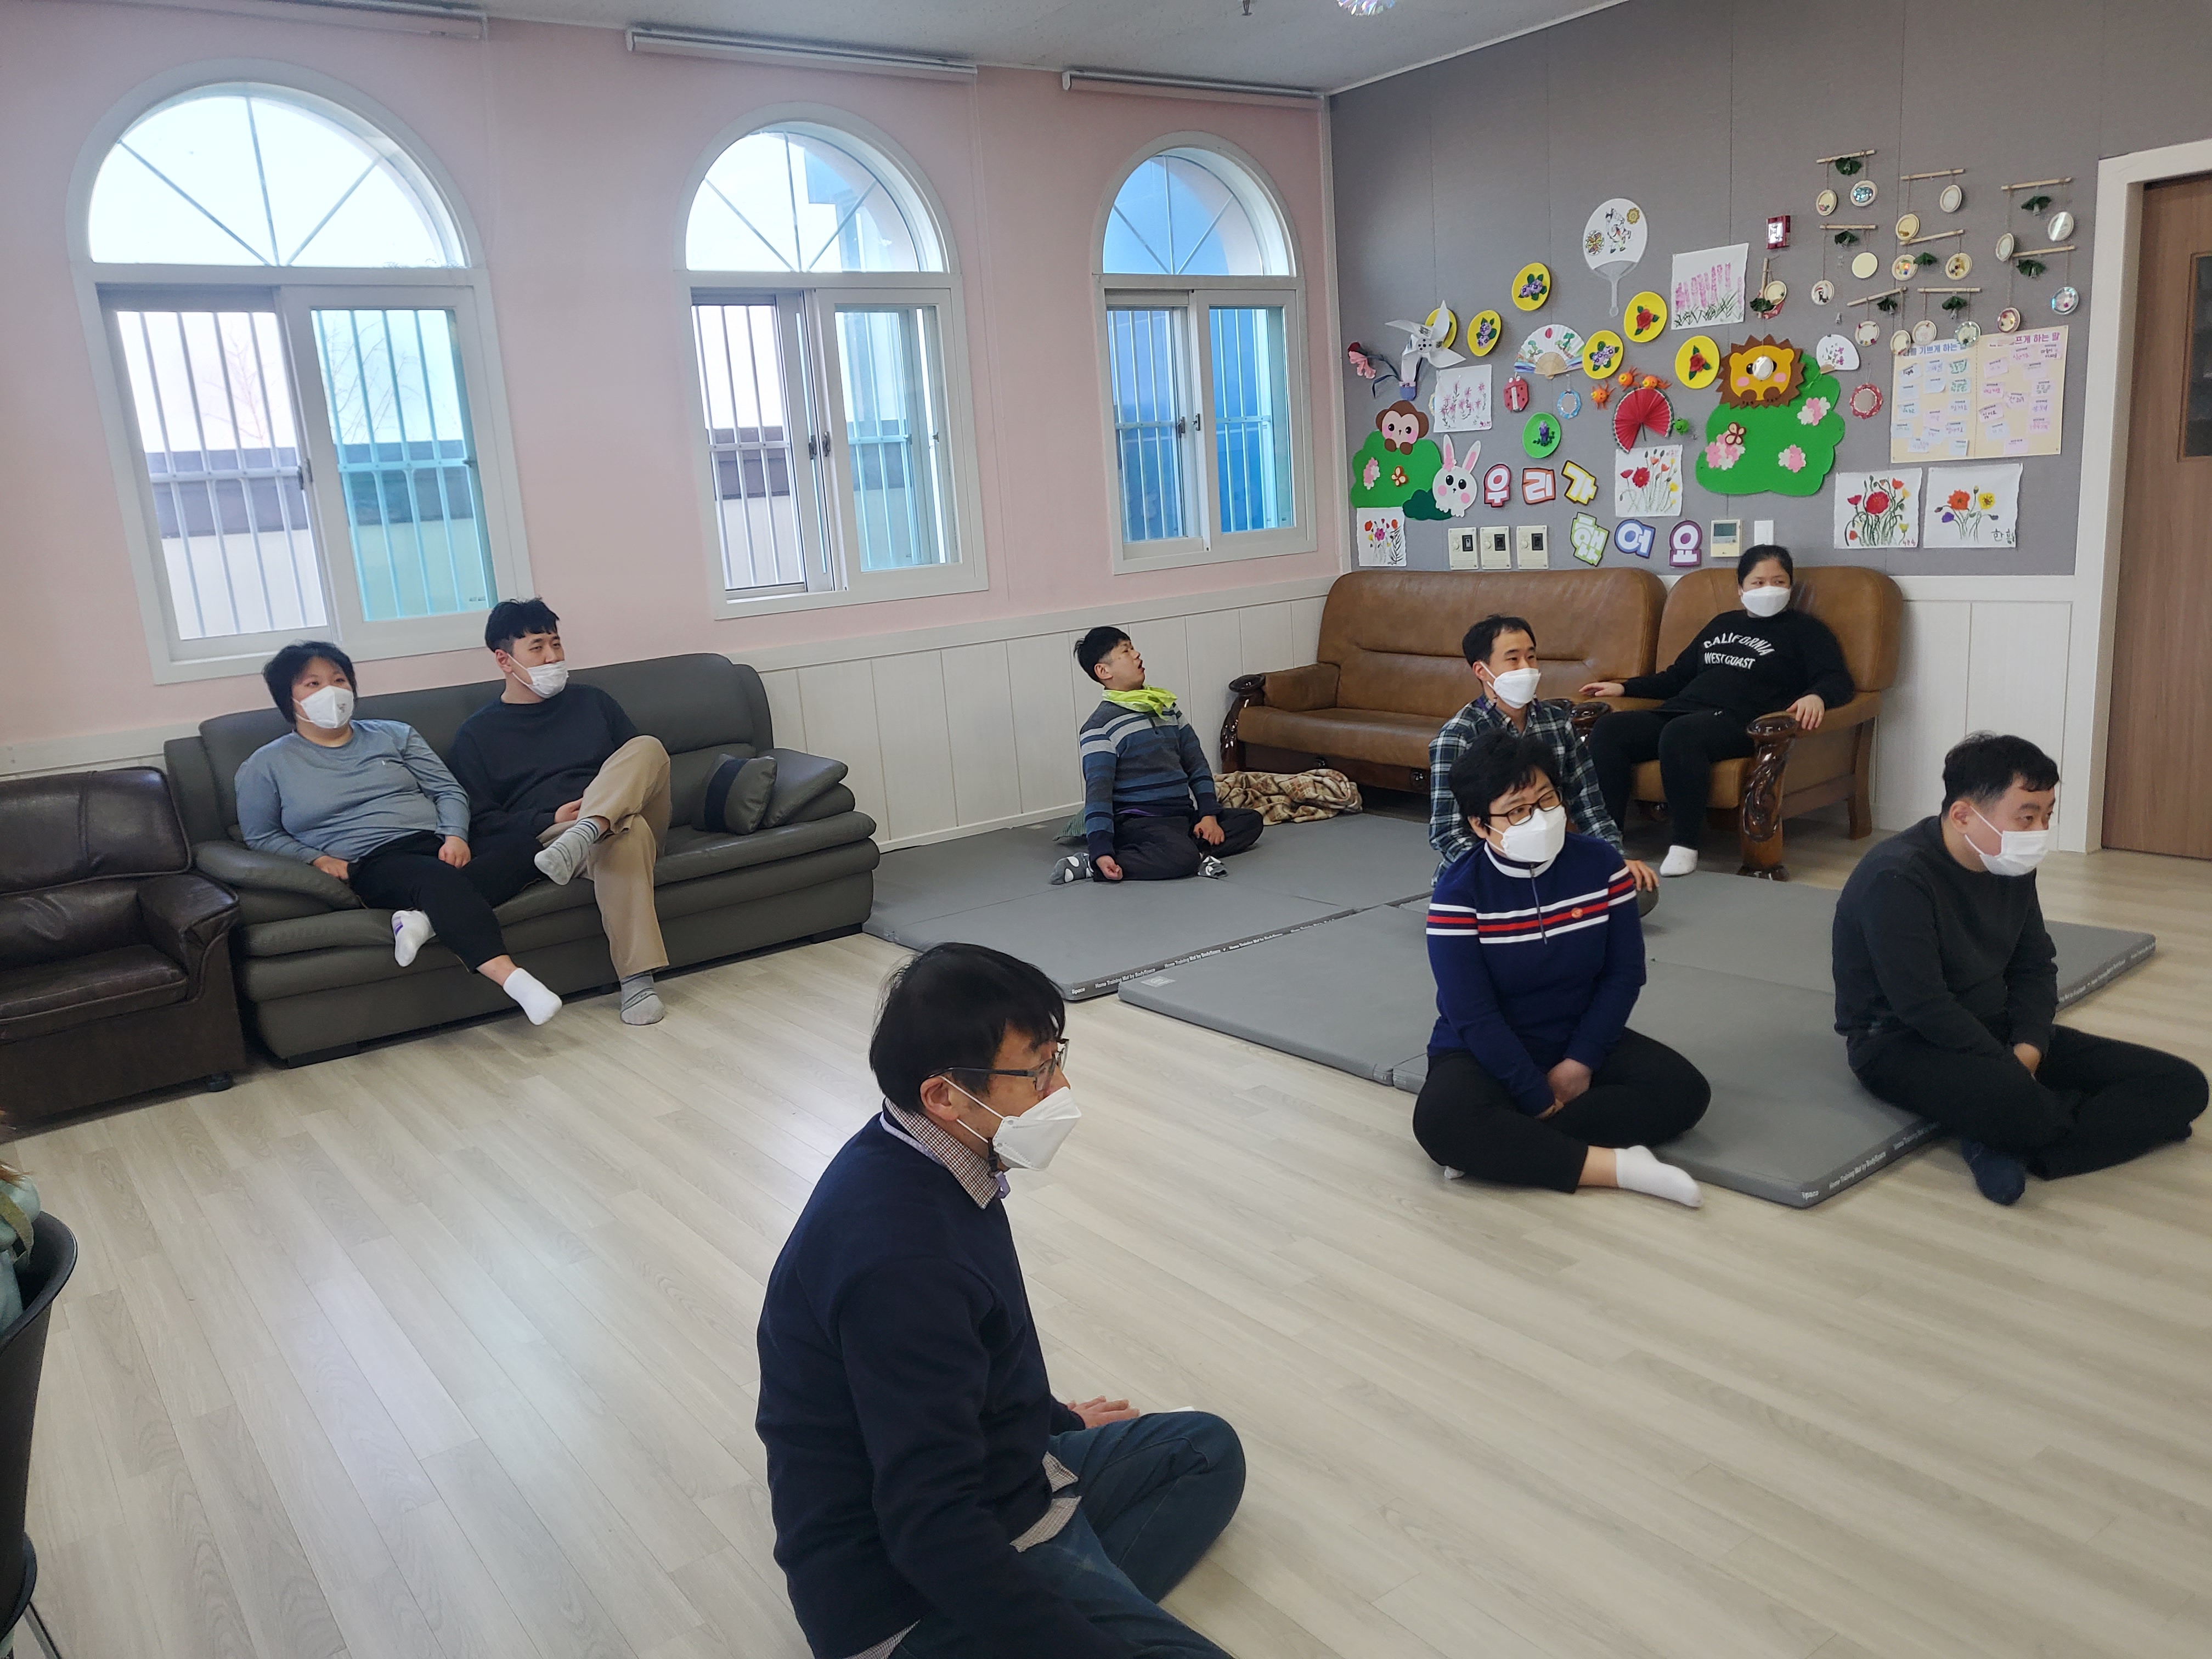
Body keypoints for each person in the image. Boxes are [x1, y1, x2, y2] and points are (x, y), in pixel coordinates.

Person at [755, 943, 1246, 1659]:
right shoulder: (902, 1263)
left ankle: (1066, 1597)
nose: (1060, 1086)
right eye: (1037, 1071)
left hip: (1002, 1485)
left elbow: (979, 1356)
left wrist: (1053, 1420)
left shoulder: (925, 1151)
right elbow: (929, 1527)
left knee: (1204, 1449)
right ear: (944, 1096)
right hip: (902, 1592)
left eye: (1056, 1058)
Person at [1833, 732, 2206, 1205]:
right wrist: (2007, 1071)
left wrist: (2028, 1048)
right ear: (1963, 815)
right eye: (2027, 818)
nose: (2039, 831)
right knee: (2019, 1105)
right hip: (1901, 1043)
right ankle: (2035, 1125)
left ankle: (1998, 1135)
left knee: (2183, 1084)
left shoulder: (2008, 864)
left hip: (1995, 1025)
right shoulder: (1896, 877)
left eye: (2047, 816)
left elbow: (2035, 966)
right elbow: (1922, 1006)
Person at [1415, 730, 1709, 1205]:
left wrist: (1581, 1061)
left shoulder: (1602, 864)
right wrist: (1532, 1092)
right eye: (1516, 811)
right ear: (1480, 825)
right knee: (1439, 1122)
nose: (1539, 817)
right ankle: (1621, 1169)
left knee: (1684, 1092)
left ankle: (1499, 1146)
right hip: (1485, 1050)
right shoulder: (1458, 893)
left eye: (1546, 799)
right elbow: (1471, 1012)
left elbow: (1624, 974)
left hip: (1576, 1035)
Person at [234, 641, 562, 1025]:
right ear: (287, 698)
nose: (331, 692)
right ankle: (514, 980)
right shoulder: (265, 765)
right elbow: (260, 836)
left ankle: (422, 920)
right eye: (313, 684)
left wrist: (455, 835)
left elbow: (448, 790)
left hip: (435, 840)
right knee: (437, 880)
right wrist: (316, 858)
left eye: (339, 680)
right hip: (374, 860)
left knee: (527, 847)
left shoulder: (394, 735)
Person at [447, 599, 673, 1025]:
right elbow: (482, 822)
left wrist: (594, 815)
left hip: (619, 815)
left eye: (556, 643)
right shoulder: (477, 735)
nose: (552, 657)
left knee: (648, 748)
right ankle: (637, 983)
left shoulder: (594, 702)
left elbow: (644, 773)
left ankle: (592, 827)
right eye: (537, 648)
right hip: (556, 840)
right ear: (504, 660)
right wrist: (550, 820)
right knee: (628, 837)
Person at [1579, 546, 1853, 877]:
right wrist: (1625, 688)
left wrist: (1817, 696)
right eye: (1758, 582)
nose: (1769, 589)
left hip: (1740, 721)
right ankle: (1607, 841)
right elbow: (1677, 677)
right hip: (1682, 709)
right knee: (1610, 730)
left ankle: (1685, 844)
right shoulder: (1722, 623)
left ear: (1791, 587)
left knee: (1682, 734)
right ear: (1741, 589)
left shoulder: (1806, 630)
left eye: (1779, 582)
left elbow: (1838, 679)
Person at [1429, 613, 1657, 895]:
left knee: (1637, 894)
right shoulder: (1458, 736)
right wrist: (1494, 874)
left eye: (1532, 657)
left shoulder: (1557, 722)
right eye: (1513, 659)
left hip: (1553, 860)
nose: (1526, 667)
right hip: (1488, 868)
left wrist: (1614, 859)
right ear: (1481, 670)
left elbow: (1589, 806)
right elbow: (1448, 831)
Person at [1062, 626, 1262, 884]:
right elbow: (1098, 794)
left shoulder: (1166, 708)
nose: (1137, 655)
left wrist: (1208, 816)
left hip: (1181, 816)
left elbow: (1197, 765)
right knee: (1181, 856)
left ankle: (1188, 852)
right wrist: (1100, 849)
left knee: (1250, 822)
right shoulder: (1099, 727)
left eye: (1133, 648)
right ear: (1104, 671)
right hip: (1140, 822)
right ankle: (1097, 865)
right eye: (1126, 651)